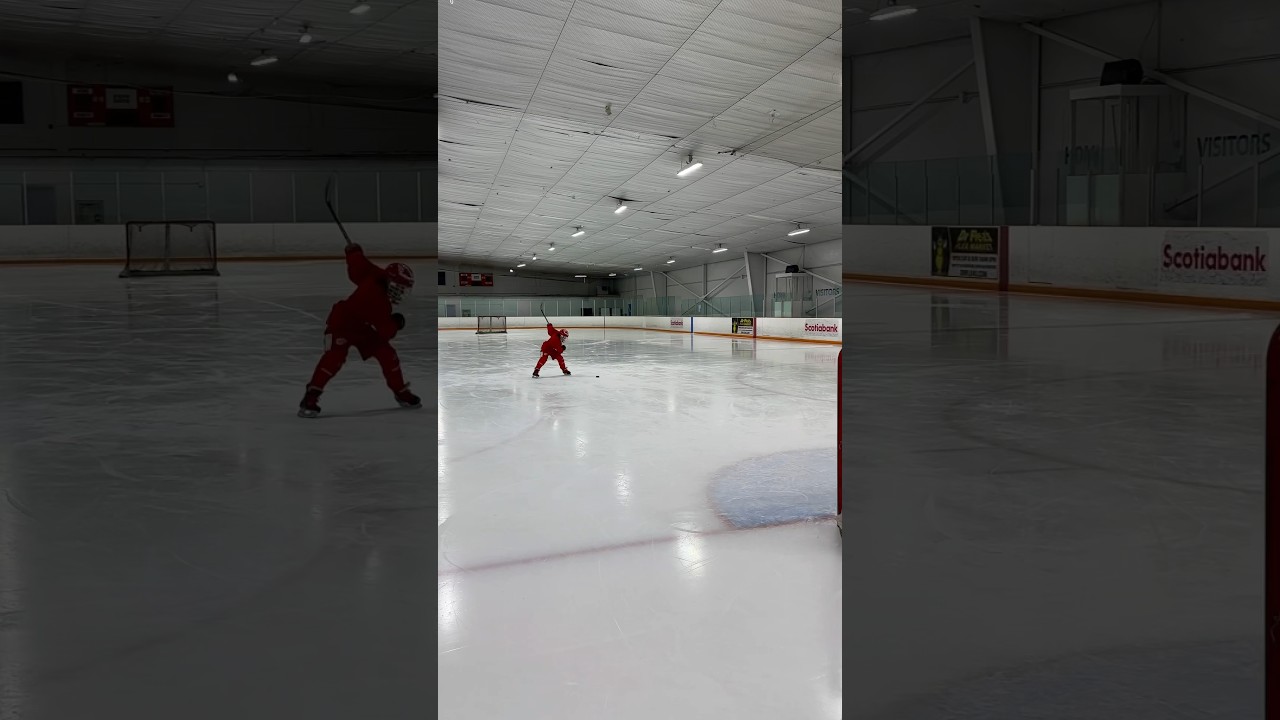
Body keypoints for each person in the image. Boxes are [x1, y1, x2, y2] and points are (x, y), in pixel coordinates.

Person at [298, 242, 420, 417]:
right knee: (334, 358)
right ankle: (311, 396)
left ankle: (401, 391)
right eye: (399, 288)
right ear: (391, 283)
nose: (400, 293)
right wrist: (397, 323)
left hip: (363, 327)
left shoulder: (378, 275)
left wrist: (353, 252)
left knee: (387, 355)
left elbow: (359, 267)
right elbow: (385, 330)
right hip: (342, 324)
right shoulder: (379, 301)